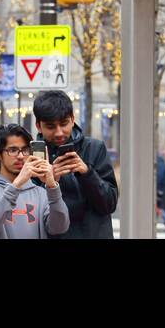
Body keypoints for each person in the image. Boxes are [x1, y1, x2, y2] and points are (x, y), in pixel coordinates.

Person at [33, 89, 119, 238]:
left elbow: (109, 204)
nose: (59, 132)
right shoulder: (33, 156)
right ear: (39, 126)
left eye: (64, 124)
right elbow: (29, 212)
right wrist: (49, 184)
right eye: (51, 126)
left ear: (73, 119)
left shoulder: (94, 148)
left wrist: (87, 173)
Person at [0, 124, 68, 239]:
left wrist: (52, 186)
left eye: (25, 150)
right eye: (13, 150)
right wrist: (17, 185)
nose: (21, 156)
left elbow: (59, 228)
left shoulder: (40, 193)